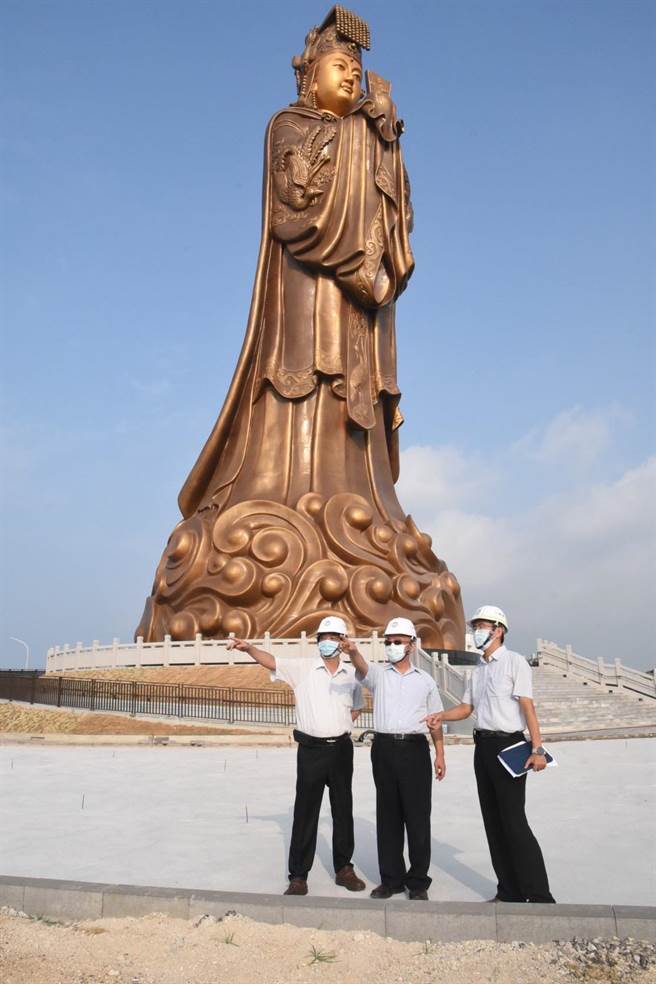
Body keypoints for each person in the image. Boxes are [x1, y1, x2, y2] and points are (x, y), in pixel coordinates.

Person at [424, 605, 555, 904]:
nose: (476, 632)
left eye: (482, 626)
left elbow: (527, 707)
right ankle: (508, 891)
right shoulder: (479, 670)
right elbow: (467, 708)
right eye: (475, 627)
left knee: (514, 821)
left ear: (499, 630)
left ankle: (540, 895)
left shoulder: (514, 663)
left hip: (509, 746)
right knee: (493, 822)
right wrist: (440, 715)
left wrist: (538, 749)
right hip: (482, 748)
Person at [228, 615, 366, 896]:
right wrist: (250, 649)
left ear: (342, 642)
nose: (326, 642)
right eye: (322, 638)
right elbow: (273, 661)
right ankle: (299, 875)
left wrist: (340, 723)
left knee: (342, 810)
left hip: (340, 749)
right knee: (305, 812)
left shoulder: (351, 676)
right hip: (311, 750)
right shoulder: (303, 668)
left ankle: (344, 869)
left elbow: (357, 707)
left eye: (332, 638)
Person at [344, 617, 445, 901]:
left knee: (417, 816)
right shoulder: (379, 675)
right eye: (388, 642)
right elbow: (362, 668)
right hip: (385, 748)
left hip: (414, 749)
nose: (392, 646)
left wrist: (440, 754)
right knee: (388, 815)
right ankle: (391, 879)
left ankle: (418, 881)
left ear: (411, 645)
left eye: (397, 642)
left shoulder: (425, 681)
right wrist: (352, 651)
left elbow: (435, 722)